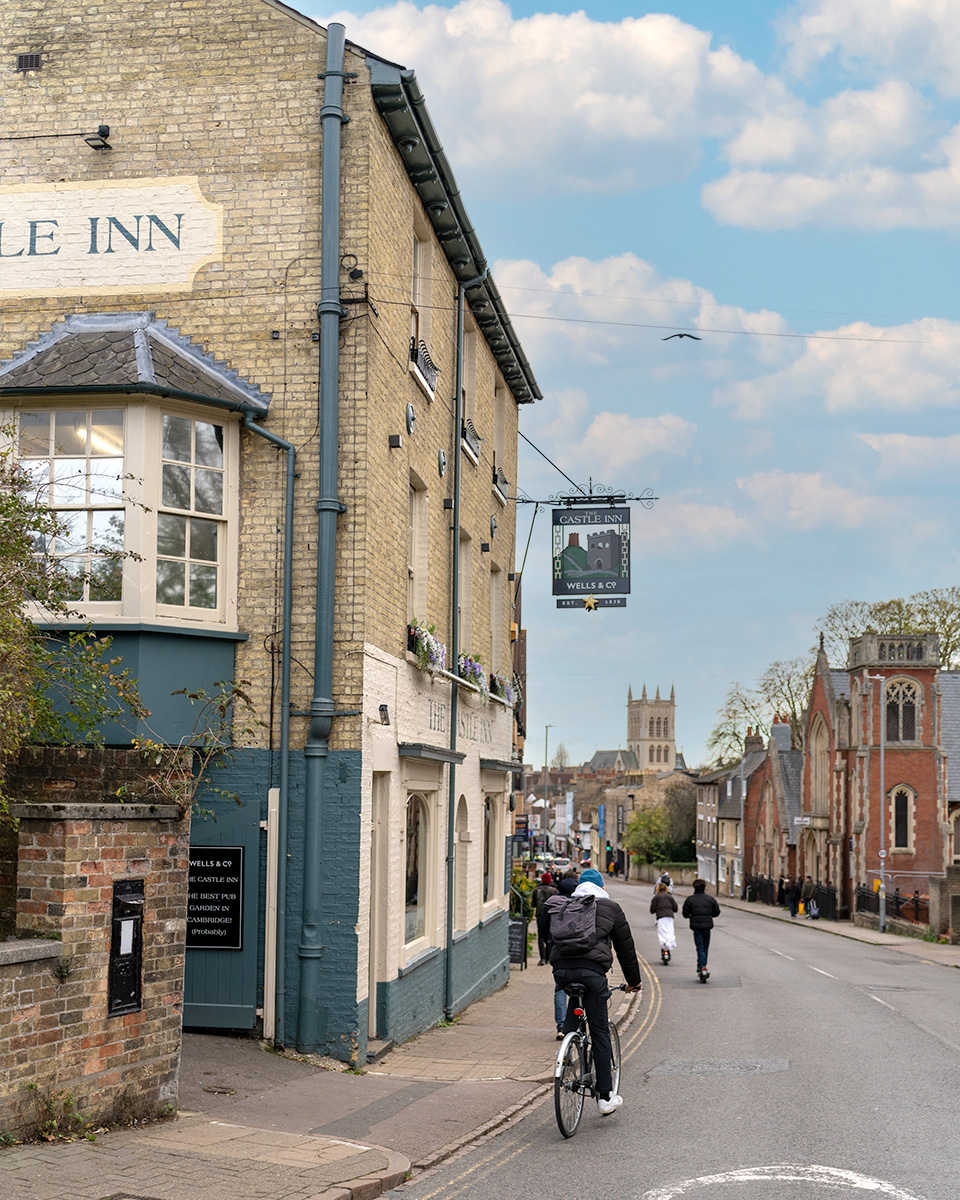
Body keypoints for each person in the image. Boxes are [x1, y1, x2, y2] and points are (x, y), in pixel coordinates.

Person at [543, 867, 642, 1116]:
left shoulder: (564, 906)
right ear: (602, 888)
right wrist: (633, 982)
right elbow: (626, 950)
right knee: (599, 1032)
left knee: (574, 1006)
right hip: (593, 975)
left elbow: (546, 934)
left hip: (562, 973)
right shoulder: (611, 908)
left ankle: (566, 1050)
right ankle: (606, 1097)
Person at [538, 874, 578, 1037]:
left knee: (560, 988)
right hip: (578, 951)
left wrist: (550, 944)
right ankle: (575, 1026)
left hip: (558, 951)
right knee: (578, 989)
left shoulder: (551, 904)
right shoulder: (581, 903)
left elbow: (542, 927)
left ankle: (561, 1026)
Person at [681, 879, 720, 981]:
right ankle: (703, 966)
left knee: (700, 947)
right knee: (705, 947)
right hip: (707, 926)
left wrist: (691, 915)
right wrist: (709, 915)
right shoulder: (710, 899)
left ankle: (702, 966)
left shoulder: (690, 900)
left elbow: (685, 914)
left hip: (696, 926)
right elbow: (717, 912)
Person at [532, 872, 558, 964]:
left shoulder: (536, 890)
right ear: (550, 880)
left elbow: (533, 904)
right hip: (551, 916)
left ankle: (542, 958)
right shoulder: (554, 891)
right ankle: (548, 956)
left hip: (539, 916)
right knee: (550, 936)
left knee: (540, 937)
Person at [649, 881, 678, 964]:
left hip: (661, 917)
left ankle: (664, 949)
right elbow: (675, 908)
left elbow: (652, 910)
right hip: (670, 917)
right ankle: (669, 947)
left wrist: (657, 909)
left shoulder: (656, 898)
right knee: (670, 932)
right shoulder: (670, 897)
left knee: (662, 934)